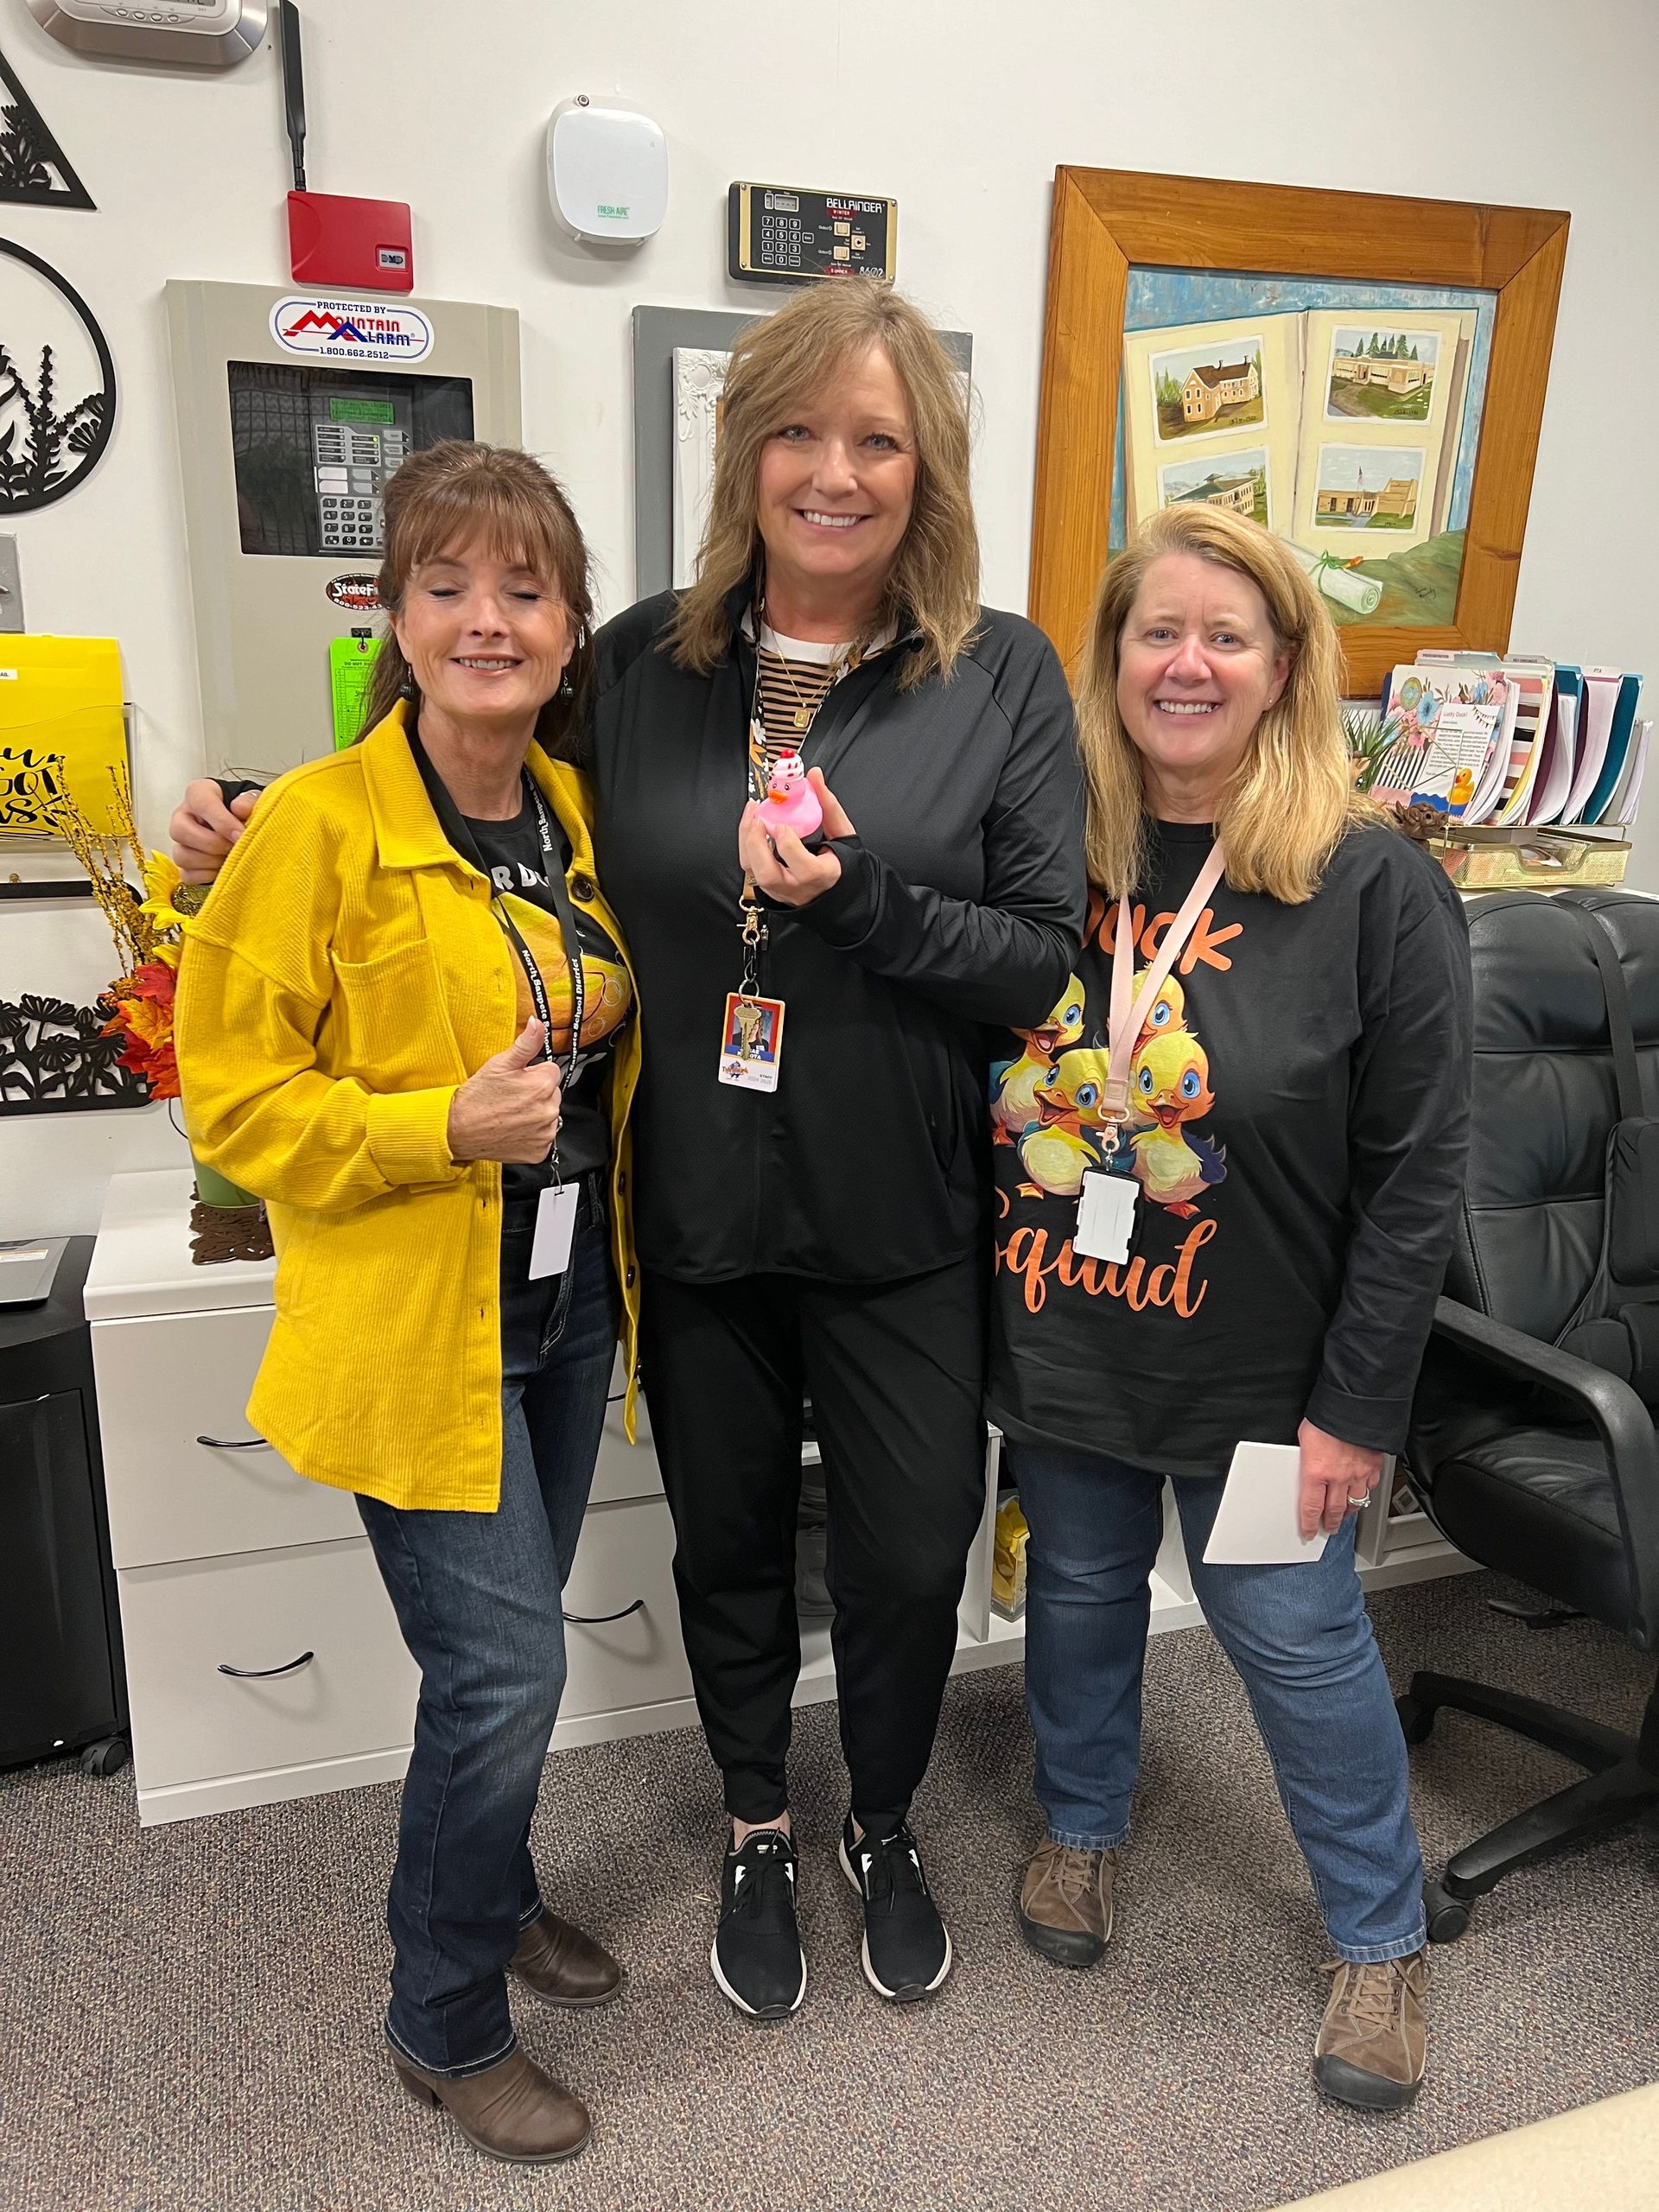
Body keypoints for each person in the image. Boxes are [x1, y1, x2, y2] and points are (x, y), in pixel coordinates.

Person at [172, 283, 1086, 2022]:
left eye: (877, 438)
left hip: (901, 1213)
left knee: (905, 1552)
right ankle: (757, 1815)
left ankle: (878, 1818)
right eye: (798, 432)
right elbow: (461, 769)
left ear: (926, 468)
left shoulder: (999, 672)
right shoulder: (650, 657)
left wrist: (872, 903)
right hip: (695, 1211)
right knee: (729, 1542)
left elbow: (1041, 956)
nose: (833, 471)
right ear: (744, 452)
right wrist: (265, 809)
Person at [173, 443, 639, 2168]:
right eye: (448, 584)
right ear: (393, 610)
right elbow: (232, 1108)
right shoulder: (314, 827)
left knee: (502, 1669)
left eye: (524, 589)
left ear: (570, 627)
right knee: (505, 1668)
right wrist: (433, 1120)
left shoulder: (567, 810)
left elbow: (593, 994)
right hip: (414, 1317)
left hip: (568, 1299)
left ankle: (497, 1886)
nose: (487, 619)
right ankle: (442, 2013)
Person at [987, 502, 1471, 2113]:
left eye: (1226, 636)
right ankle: (1081, 1830)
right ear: (1112, 657)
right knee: (1077, 1598)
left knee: (1294, 1635)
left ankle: (1381, 1937)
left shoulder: (1373, 885)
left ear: (1282, 670)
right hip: (1069, 1330)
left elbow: (1416, 1180)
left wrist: (1356, 1412)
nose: (1185, 663)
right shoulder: (1051, 858)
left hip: (1274, 1380)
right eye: (1155, 632)